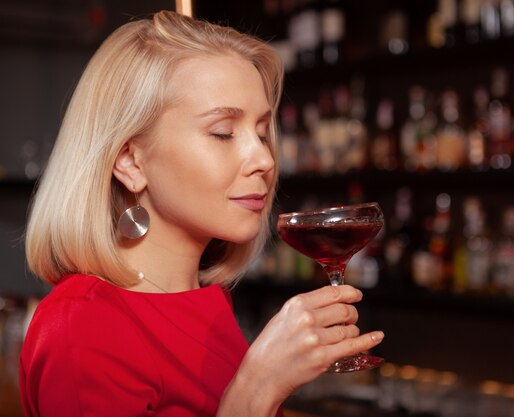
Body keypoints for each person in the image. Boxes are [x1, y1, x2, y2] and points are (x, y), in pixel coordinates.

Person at [19, 10, 384, 417]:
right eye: (222, 132)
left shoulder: (208, 304)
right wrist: (256, 388)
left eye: (263, 132)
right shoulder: (84, 326)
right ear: (130, 162)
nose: (263, 158)